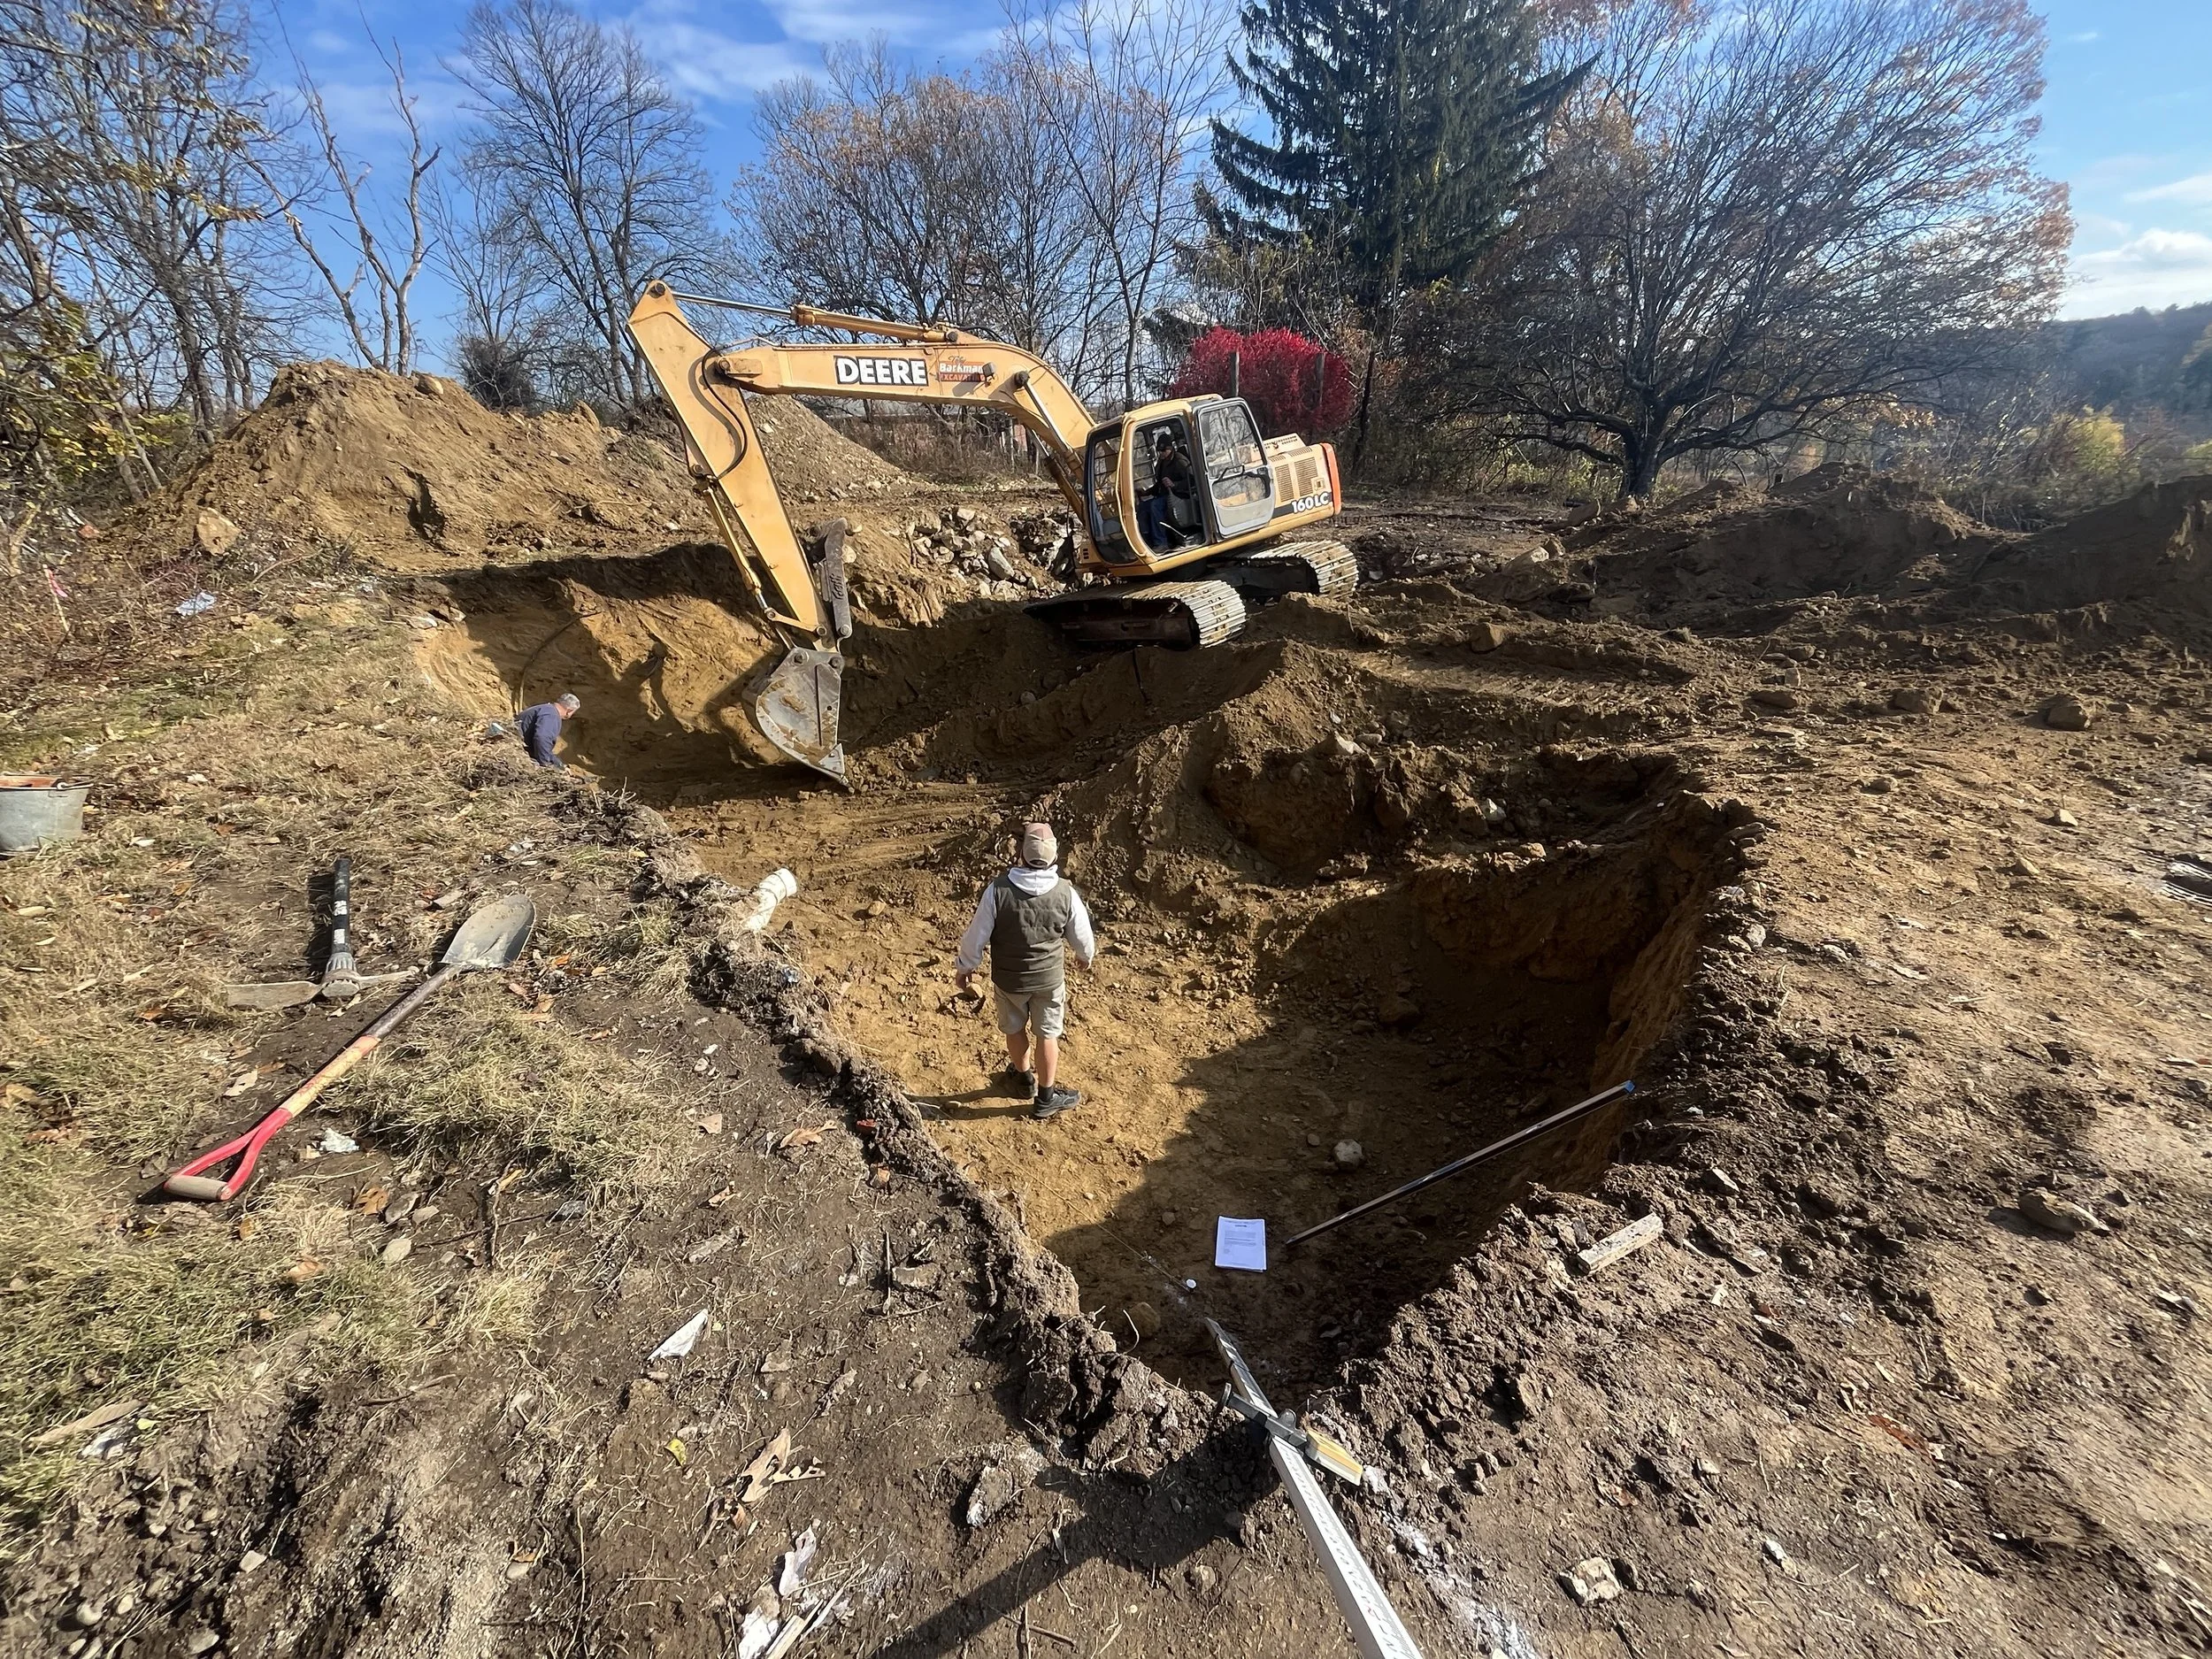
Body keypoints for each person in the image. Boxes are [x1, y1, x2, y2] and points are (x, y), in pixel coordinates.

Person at [955, 822, 1095, 1120]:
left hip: (1009, 980)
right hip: (1048, 980)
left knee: (1015, 1029)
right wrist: (1085, 957)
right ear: (1055, 856)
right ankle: (1045, 1097)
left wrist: (965, 967)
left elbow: (976, 935)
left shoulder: (997, 890)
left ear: (1021, 853)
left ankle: (1023, 1079)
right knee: (1047, 1034)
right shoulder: (1065, 893)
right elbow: (1082, 936)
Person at [1136, 428, 1195, 552]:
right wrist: (1147, 492)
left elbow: (1192, 481)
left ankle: (1161, 542)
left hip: (1179, 496)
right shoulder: (1162, 463)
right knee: (1142, 507)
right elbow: (1159, 484)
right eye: (1159, 451)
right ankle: (1147, 541)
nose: (1162, 453)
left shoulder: (1179, 461)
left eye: (1164, 450)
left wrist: (1175, 485)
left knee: (1154, 505)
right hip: (1165, 495)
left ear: (1171, 448)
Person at [516, 693, 580, 769]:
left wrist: (560, 765)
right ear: (569, 711)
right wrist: (545, 764)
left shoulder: (545, 709)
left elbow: (544, 747)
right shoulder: (552, 715)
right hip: (518, 752)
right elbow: (542, 738)